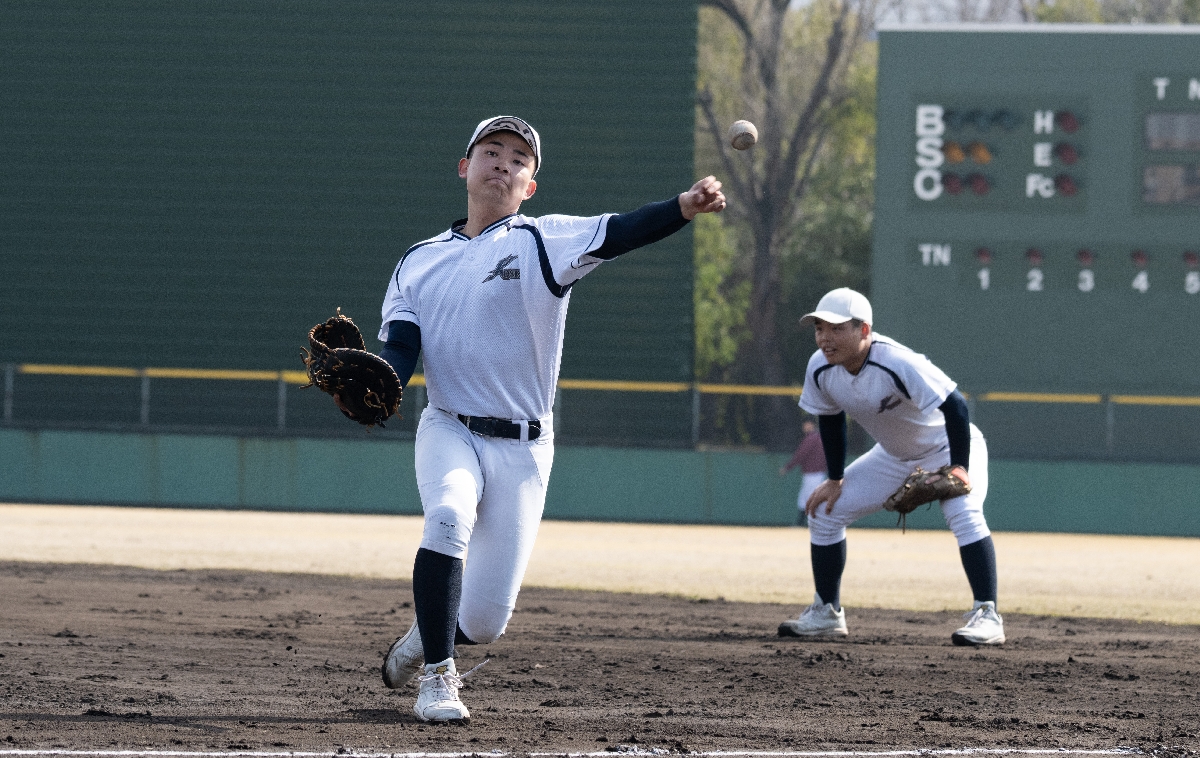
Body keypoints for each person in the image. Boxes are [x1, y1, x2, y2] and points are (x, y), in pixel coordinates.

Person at [371, 116, 726, 723]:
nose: (503, 162)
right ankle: (437, 677)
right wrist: (382, 384)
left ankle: (422, 639)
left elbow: (619, 232)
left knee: (484, 620)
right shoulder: (418, 261)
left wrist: (684, 207)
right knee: (449, 516)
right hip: (449, 425)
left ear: (529, 185)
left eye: (518, 157)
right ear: (465, 167)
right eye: (491, 150)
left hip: (525, 447)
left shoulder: (541, 240)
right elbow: (402, 347)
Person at [777, 287, 1004, 646]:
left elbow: (956, 406)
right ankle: (826, 612)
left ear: (864, 330)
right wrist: (835, 479)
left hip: (949, 446)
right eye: (819, 328)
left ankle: (987, 615)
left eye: (836, 328)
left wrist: (960, 467)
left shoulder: (896, 361)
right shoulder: (820, 367)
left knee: (963, 512)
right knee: (823, 509)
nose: (824, 337)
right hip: (894, 457)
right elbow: (830, 420)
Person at [779, 418, 827, 526]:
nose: (804, 427)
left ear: (811, 424)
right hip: (815, 473)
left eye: (806, 424)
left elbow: (800, 455)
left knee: (811, 498)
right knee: (804, 498)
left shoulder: (812, 438)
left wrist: (787, 467)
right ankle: (801, 522)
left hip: (813, 473)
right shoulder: (819, 437)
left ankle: (816, 524)